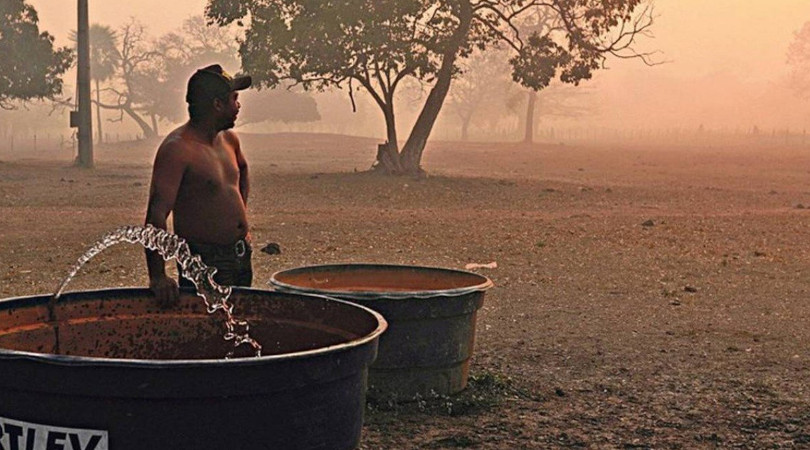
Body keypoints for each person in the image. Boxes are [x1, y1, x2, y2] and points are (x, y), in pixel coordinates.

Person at [144, 64, 253, 307]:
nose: (238, 105)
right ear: (217, 104)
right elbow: (156, 214)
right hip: (204, 261)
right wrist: (158, 276)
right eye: (233, 99)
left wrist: (240, 221)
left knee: (243, 323)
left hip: (240, 254)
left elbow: (242, 170)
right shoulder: (177, 150)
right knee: (210, 331)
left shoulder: (229, 140)